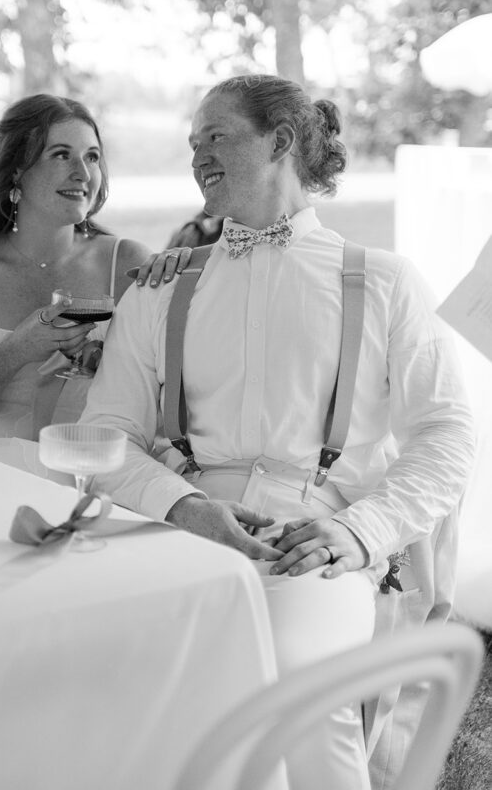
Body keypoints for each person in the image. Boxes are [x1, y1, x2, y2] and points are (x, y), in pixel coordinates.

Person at [80, 73, 475, 790]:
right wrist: (185, 507)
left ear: (283, 141)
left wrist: (359, 532)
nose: (198, 156)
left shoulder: (384, 281)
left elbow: (446, 436)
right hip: (179, 531)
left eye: (218, 137)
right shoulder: (163, 286)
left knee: (299, 682)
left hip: (318, 541)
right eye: (193, 144)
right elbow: (105, 432)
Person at [0, 93, 152, 455]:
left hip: (93, 475)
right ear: (17, 169)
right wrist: (16, 350)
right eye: (61, 154)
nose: (83, 174)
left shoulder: (127, 262)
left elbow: (162, 396)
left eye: (92, 157)